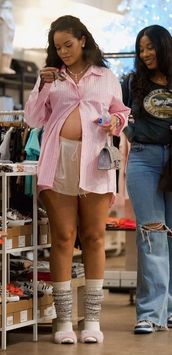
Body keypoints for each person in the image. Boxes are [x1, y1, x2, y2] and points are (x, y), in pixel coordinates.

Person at [24, 15, 129, 344]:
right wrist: (41, 85)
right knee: (63, 238)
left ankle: (93, 321)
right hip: (58, 161)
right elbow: (32, 118)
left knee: (94, 236)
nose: (63, 51)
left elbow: (121, 113)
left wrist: (114, 121)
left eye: (68, 45)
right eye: (57, 47)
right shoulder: (51, 79)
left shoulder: (106, 76)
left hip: (95, 162)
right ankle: (64, 321)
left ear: (83, 39)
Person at [121, 25, 172, 334]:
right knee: (152, 234)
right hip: (144, 160)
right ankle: (150, 313)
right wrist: (132, 133)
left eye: (150, 46)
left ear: (164, 46)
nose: (145, 53)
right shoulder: (132, 82)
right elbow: (114, 114)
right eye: (141, 48)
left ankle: (168, 309)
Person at [0, 0, 16, 73]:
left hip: (10, 37)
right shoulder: (4, 12)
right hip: (5, 36)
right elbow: (1, 18)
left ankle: (7, 67)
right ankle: (3, 67)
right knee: (5, 50)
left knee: (9, 50)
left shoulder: (10, 15)